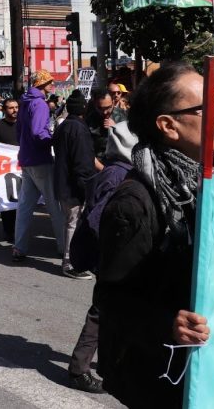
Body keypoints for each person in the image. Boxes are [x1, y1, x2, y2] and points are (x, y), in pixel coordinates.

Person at [96, 62, 214, 408]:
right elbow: (109, 299)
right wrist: (168, 324)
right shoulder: (134, 203)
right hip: (159, 374)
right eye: (209, 108)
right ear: (168, 125)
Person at [66, 122, 138, 396]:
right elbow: (101, 222)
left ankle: (109, 363)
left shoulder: (115, 171)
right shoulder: (117, 176)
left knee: (115, 310)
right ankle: (79, 369)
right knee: (101, 311)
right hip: (111, 258)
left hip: (109, 257)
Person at [14, 70, 62, 263]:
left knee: (25, 207)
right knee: (55, 206)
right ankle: (64, 247)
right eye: (50, 82)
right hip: (40, 160)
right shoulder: (40, 104)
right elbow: (38, 132)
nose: (52, 85)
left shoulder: (24, 102)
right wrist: (54, 140)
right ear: (42, 84)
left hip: (26, 159)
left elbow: (21, 132)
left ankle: (19, 247)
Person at [52, 90, 97, 280]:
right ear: (83, 109)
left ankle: (74, 260)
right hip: (73, 185)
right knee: (73, 223)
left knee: (71, 222)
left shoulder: (64, 126)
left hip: (64, 182)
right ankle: (70, 263)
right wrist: (86, 186)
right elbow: (82, 161)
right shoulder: (78, 129)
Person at [0, 98, 19, 243]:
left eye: (16, 107)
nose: (15, 110)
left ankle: (19, 230)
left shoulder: (23, 126)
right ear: (5, 110)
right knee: (7, 204)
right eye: (11, 108)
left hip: (22, 171)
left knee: (21, 203)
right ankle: (9, 231)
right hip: (4, 172)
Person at [87, 89, 128, 165]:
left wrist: (116, 128)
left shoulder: (123, 116)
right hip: (96, 165)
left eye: (108, 107)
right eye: (100, 108)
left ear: (113, 102)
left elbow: (130, 141)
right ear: (95, 105)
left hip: (118, 164)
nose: (105, 112)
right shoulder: (89, 119)